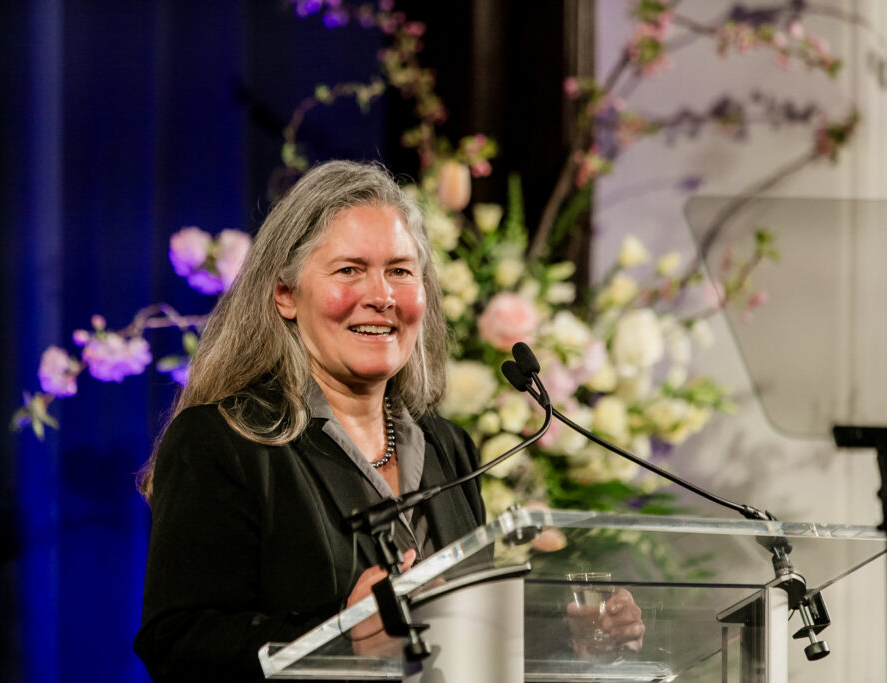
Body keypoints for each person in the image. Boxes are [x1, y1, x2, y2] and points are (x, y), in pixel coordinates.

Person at [133, 160, 644, 681]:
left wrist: (571, 636)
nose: (381, 297)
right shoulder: (222, 441)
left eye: (400, 270)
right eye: (350, 269)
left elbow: (464, 629)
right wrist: (341, 637)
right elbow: (178, 646)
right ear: (286, 295)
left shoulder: (448, 447)